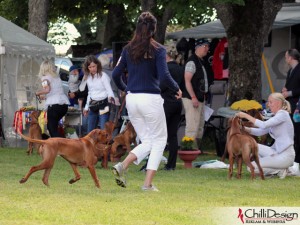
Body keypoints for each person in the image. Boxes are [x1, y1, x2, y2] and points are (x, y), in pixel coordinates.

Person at [112, 11, 182, 191]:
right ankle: (147, 184)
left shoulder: (127, 49)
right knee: (160, 140)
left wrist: (125, 88)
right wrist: (177, 89)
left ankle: (123, 166)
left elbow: (115, 74)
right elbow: (165, 77)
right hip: (150, 99)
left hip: (132, 100)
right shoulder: (158, 49)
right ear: (154, 29)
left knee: (149, 141)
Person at [236, 92, 295, 179]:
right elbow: (260, 131)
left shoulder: (283, 114)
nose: (268, 105)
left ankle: (280, 171)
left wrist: (245, 115)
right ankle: (281, 170)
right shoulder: (277, 116)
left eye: (271, 102)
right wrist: (243, 128)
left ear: (278, 103)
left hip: (286, 156)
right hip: (276, 152)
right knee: (251, 145)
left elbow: (263, 125)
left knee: (250, 167)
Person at [182, 38, 210, 149]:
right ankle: (188, 150)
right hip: (191, 98)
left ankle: (195, 149)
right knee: (192, 125)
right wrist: (193, 97)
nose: (207, 49)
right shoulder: (191, 62)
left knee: (199, 126)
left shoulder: (200, 61)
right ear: (198, 47)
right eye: (205, 46)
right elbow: (187, 80)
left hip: (200, 98)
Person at [162, 44, 184, 171]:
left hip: (166, 103)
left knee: (159, 134)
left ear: (166, 56)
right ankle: (171, 164)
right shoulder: (180, 68)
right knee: (173, 135)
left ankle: (151, 162)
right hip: (177, 102)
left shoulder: (166, 69)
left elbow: (162, 86)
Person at [35, 60, 70, 137]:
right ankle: (63, 144)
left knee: (52, 129)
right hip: (64, 105)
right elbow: (54, 92)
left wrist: (37, 93)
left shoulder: (45, 78)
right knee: (55, 128)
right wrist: (44, 96)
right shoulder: (56, 77)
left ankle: (60, 147)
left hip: (55, 106)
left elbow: (47, 90)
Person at [82, 55, 115, 132]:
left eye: (93, 66)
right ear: (87, 68)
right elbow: (90, 93)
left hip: (104, 104)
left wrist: (111, 97)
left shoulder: (103, 76)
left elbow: (109, 89)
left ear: (97, 65)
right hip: (93, 105)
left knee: (103, 129)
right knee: (90, 131)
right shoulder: (88, 77)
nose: (92, 69)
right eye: (90, 67)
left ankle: (104, 144)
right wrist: (86, 107)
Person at [281, 48, 300, 176]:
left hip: (298, 105)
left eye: (286, 56)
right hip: (290, 105)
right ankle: (291, 160)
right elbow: (290, 86)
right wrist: (285, 90)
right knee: (291, 132)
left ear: (291, 57)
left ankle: (297, 162)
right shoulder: (290, 71)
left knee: (298, 133)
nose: (285, 59)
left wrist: (290, 93)